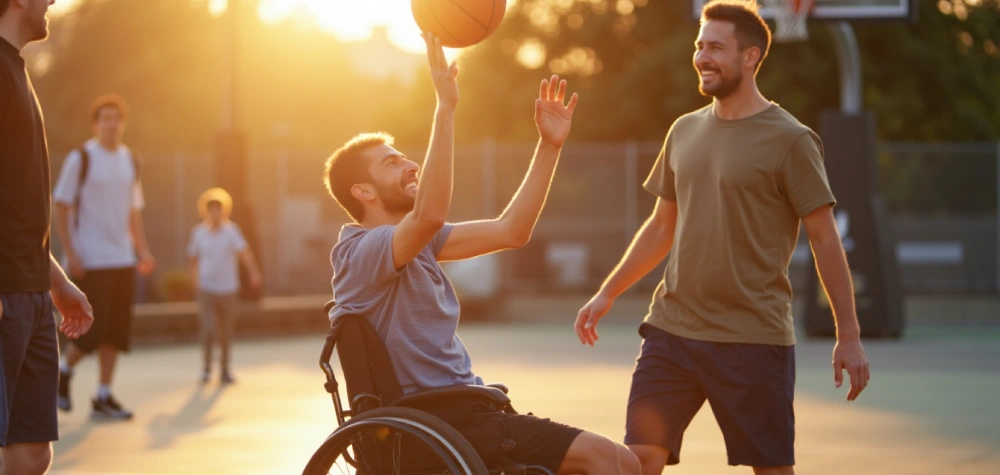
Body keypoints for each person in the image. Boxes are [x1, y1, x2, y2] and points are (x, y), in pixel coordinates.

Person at [573, 2, 871, 474]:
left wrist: (848, 336)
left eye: (715, 47)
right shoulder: (684, 130)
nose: (701, 57)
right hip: (672, 331)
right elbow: (660, 227)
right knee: (639, 460)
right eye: (699, 46)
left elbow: (825, 240)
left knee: (771, 469)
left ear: (750, 57)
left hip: (752, 339)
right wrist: (607, 292)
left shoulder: (791, 139)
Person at [324, 32, 639, 475]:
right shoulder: (359, 253)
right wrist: (445, 107)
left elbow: (512, 231)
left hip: (468, 410)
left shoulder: (417, 243)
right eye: (392, 163)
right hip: (439, 418)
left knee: (625, 461)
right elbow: (430, 215)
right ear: (363, 191)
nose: (411, 164)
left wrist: (550, 146)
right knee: (611, 460)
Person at [0, 0, 95, 473]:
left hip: (32, 289)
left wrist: (55, 281)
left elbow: (18, 202)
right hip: (4, 292)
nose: (53, 0)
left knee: (33, 452)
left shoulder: (16, 69)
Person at [51, 93, 156, 420]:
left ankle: (103, 395)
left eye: (117, 118)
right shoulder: (81, 158)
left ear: (123, 123)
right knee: (92, 330)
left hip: (122, 258)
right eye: (105, 118)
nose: (112, 124)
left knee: (116, 332)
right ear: (96, 124)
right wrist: (71, 252)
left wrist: (141, 249)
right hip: (90, 259)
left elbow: (132, 212)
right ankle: (63, 371)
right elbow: (61, 205)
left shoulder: (130, 160)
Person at [187, 187, 262, 385]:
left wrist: (253, 272)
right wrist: (195, 282)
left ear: (224, 210)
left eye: (218, 209)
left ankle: (225, 370)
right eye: (211, 209)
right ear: (205, 211)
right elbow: (193, 260)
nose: (215, 213)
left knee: (226, 332)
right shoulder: (198, 233)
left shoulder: (232, 231)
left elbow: (245, 253)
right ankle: (206, 368)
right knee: (208, 329)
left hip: (229, 289)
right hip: (207, 290)